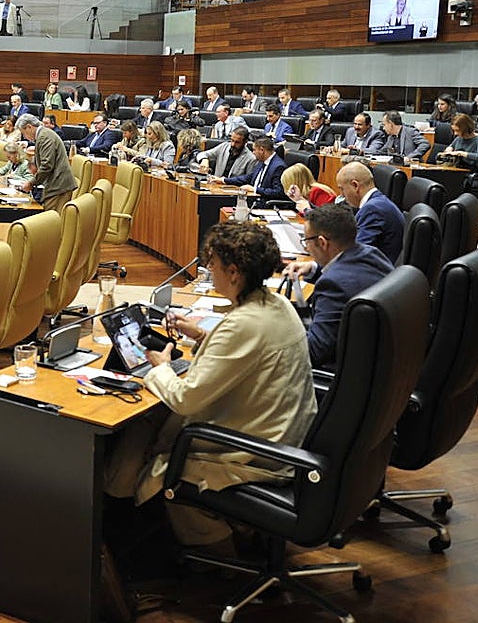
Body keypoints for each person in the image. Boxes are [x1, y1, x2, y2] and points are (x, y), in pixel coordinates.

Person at [105, 221, 316, 551]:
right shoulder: (277, 304)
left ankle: (214, 555)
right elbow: (246, 353)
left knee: (146, 426)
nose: (207, 269)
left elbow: (185, 400)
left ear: (233, 272)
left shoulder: (243, 324)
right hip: (283, 437)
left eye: (212, 264)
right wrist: (200, 333)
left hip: (252, 454)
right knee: (153, 425)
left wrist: (160, 368)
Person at [282, 204, 395, 369]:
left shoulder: (333, 285)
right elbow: (348, 271)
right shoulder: (371, 253)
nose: (306, 247)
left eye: (306, 241)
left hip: (346, 371)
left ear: (322, 242)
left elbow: (312, 353)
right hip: (381, 354)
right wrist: (313, 268)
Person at [335, 161, 405, 264]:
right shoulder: (377, 202)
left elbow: (355, 254)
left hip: (378, 275)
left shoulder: (373, 209)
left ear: (355, 186)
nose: (341, 195)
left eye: (342, 189)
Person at [14, 114, 77, 213]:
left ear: (29, 127)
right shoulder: (43, 135)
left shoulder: (44, 137)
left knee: (52, 219)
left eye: (24, 133)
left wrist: (31, 183)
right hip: (55, 184)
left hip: (58, 186)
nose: (25, 137)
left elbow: (47, 166)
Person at [216, 136, 286, 204]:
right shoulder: (262, 161)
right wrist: (224, 180)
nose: (253, 153)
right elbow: (249, 177)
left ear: (262, 150)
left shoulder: (278, 166)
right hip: (252, 198)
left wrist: (254, 189)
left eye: (254, 150)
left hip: (264, 204)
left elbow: (278, 192)